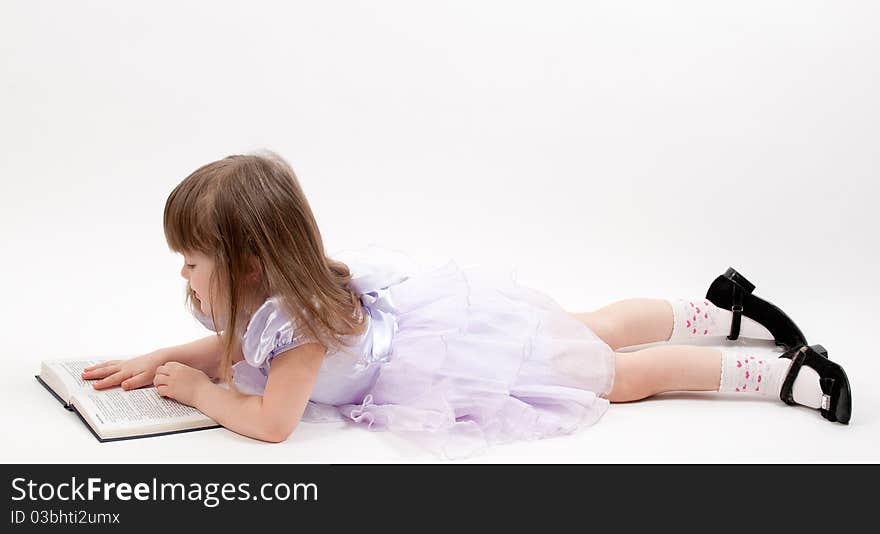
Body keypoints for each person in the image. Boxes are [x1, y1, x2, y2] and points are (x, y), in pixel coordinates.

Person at [80, 151, 852, 459]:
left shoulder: (301, 325)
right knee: (595, 327)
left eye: (190, 261)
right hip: (458, 331)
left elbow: (271, 421)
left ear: (247, 263)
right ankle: (731, 312)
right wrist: (162, 357)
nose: (183, 274)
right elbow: (246, 353)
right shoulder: (280, 296)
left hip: (454, 362)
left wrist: (201, 394)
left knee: (620, 374)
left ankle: (787, 377)